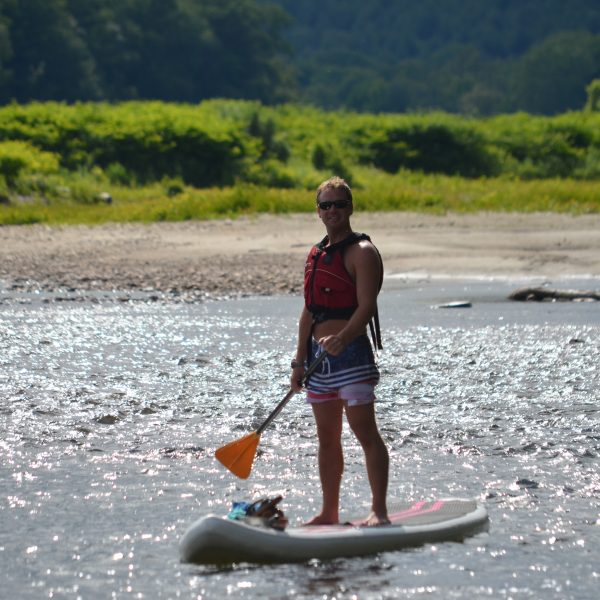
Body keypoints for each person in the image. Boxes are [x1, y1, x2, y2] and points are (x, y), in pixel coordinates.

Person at [290, 176, 390, 527]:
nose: (332, 210)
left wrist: (345, 337)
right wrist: (298, 362)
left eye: (339, 204)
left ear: (350, 208)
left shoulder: (363, 252)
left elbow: (367, 305)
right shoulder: (316, 254)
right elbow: (308, 312)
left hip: (351, 357)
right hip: (318, 363)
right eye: (325, 205)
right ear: (317, 211)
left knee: (365, 433)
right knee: (327, 441)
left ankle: (378, 511)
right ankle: (329, 511)